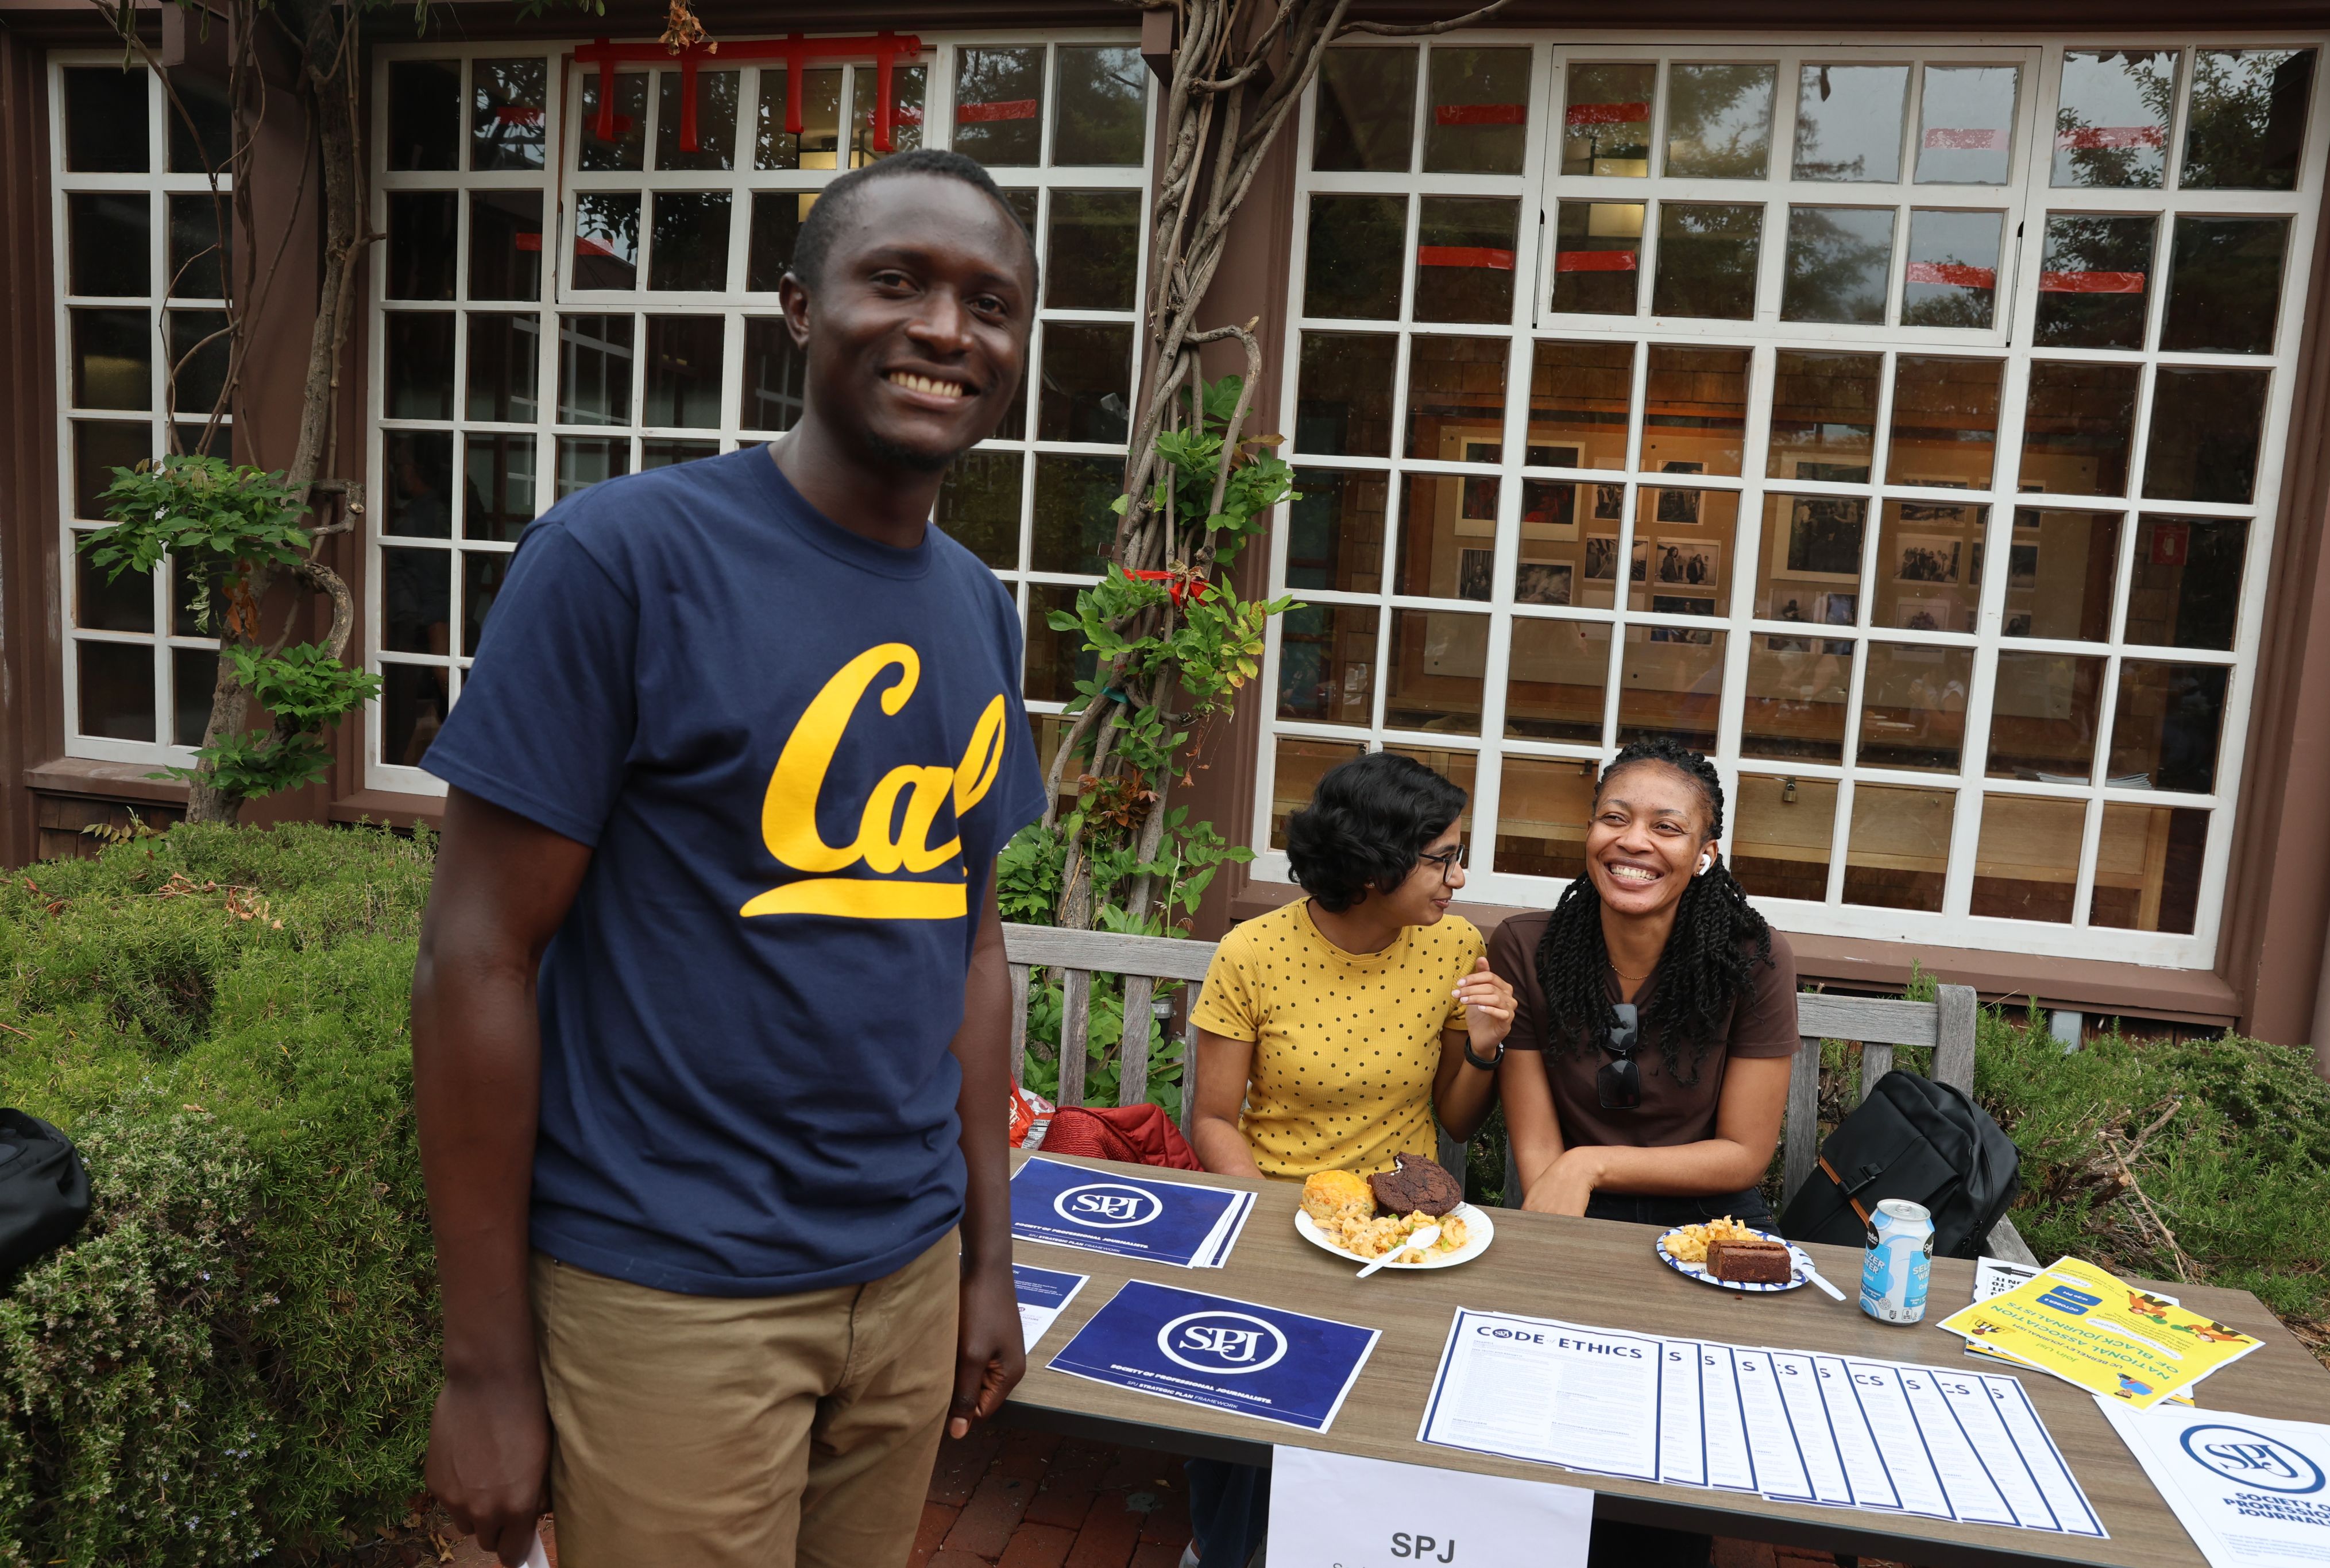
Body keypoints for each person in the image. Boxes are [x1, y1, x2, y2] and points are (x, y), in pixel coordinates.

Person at [409, 148, 1047, 1568]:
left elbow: (971, 947)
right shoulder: (621, 560)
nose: (947, 329)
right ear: (797, 310)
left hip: (900, 1275)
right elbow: (476, 955)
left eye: (990, 303)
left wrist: (987, 1262)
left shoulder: (976, 612)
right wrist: (484, 1367)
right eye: (898, 282)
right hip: (667, 1290)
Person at [1182, 751, 1517, 1568]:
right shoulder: (1254, 954)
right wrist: (1275, 1222)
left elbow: (1454, 1120)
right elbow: (1213, 1120)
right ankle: (1225, 1548)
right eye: (1441, 858)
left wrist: (1483, 1051)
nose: (1458, 878)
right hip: (1270, 1205)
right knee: (1245, 1377)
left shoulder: (1454, 947)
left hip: (1402, 1229)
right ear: (1375, 863)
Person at [1487, 738, 1796, 1568]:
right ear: (1589, 831)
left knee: (1682, 1448)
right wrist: (1565, 1193)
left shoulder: (1749, 958)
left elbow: (1741, 1156)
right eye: (1614, 818)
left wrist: (1592, 1165)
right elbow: (1538, 1150)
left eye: (1667, 827)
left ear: (1704, 855)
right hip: (1574, 1219)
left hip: (1710, 1217)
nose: (1634, 843)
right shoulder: (1528, 947)